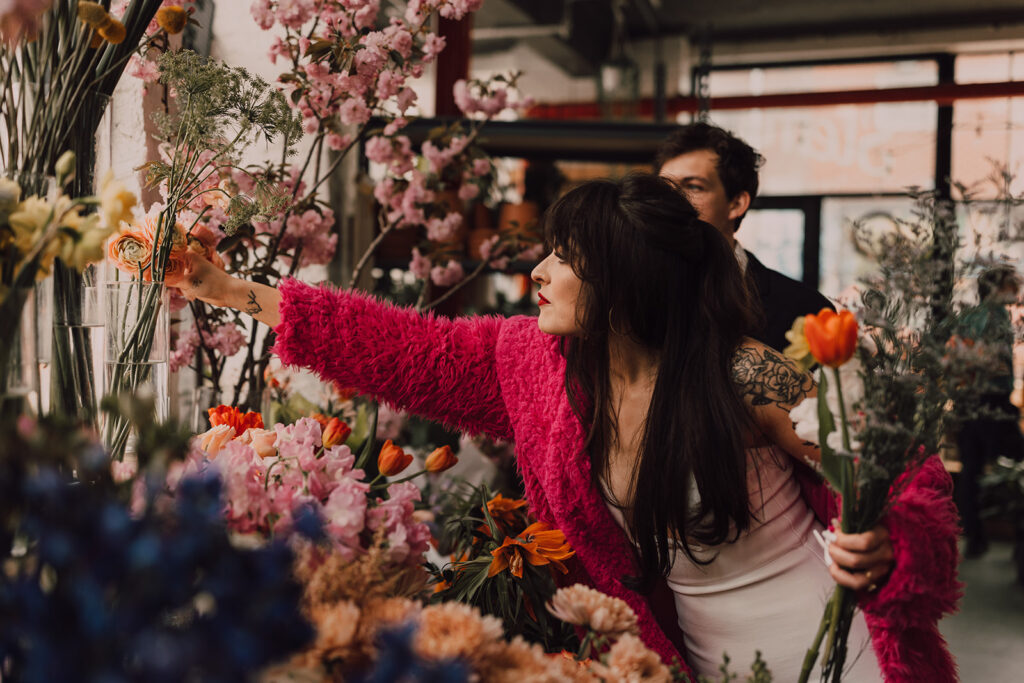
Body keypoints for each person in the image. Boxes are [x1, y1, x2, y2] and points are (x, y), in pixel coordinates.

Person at [171, 174, 959, 681]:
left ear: (625, 281)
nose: (537, 272)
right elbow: (394, 348)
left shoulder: (741, 369)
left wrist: (886, 538)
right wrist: (223, 286)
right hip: (694, 657)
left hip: (832, 646)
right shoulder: (536, 365)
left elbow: (880, 463)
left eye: (563, 257)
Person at [655, 122, 834, 352]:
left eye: (693, 186)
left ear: (736, 203)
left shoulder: (804, 311)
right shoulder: (637, 298)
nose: (672, 200)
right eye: (664, 188)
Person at [956, 266, 1023, 558]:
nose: (1017, 287)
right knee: (1017, 464)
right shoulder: (995, 317)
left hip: (969, 401)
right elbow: (989, 360)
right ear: (997, 289)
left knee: (971, 469)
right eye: (1012, 283)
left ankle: (975, 538)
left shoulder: (970, 316)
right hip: (992, 402)